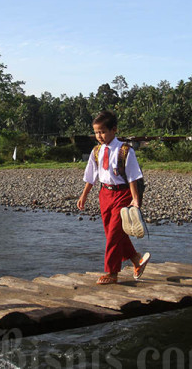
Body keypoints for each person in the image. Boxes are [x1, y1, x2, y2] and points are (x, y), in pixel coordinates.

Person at [77, 110, 151, 285]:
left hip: (122, 194)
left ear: (114, 129)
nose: (99, 136)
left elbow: (133, 176)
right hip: (105, 194)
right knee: (112, 232)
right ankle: (136, 260)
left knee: (113, 235)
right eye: (96, 132)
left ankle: (112, 272)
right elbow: (91, 176)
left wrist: (135, 200)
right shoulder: (96, 151)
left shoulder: (125, 150)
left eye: (102, 131)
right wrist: (84, 195)